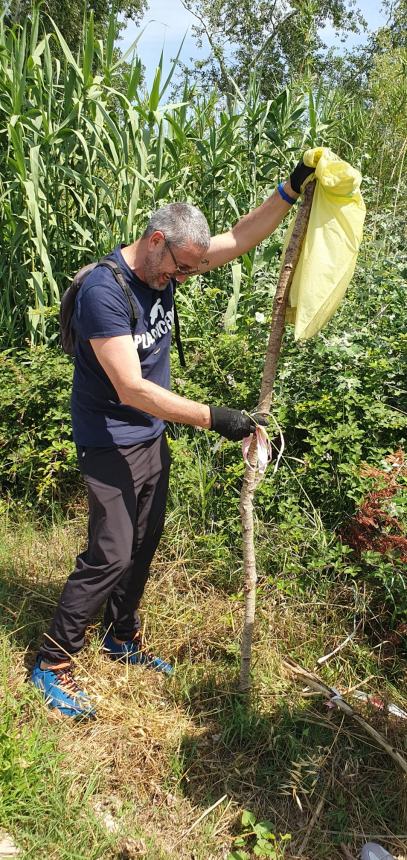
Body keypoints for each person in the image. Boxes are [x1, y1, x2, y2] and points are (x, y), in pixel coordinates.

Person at [31, 160, 314, 717]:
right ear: (156, 241)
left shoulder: (172, 260)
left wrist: (290, 187)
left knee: (143, 542)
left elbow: (241, 235)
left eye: (188, 270)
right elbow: (131, 388)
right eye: (179, 269)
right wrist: (218, 418)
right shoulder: (104, 293)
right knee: (110, 552)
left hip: (150, 437)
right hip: (108, 436)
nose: (182, 279)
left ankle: (121, 637)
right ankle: (53, 659)